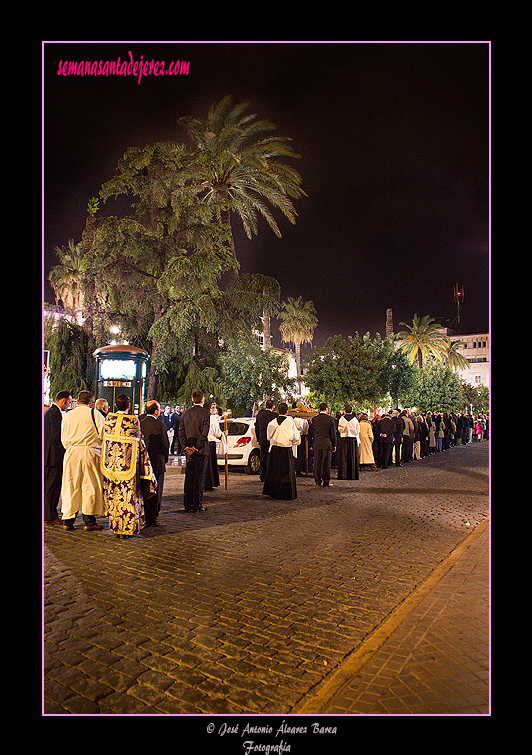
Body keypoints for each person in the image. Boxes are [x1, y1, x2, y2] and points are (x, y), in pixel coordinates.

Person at [101, 394, 155, 538]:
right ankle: (127, 529)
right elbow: (140, 444)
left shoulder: (109, 420)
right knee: (127, 498)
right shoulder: (133, 421)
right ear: (128, 406)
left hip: (111, 468)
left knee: (114, 498)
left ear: (115, 405)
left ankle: (115, 527)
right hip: (128, 467)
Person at [60, 390, 105, 531]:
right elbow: (103, 432)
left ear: (77, 401)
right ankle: (89, 520)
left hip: (71, 452)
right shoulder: (95, 414)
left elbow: (63, 436)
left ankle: (68, 520)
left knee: (70, 484)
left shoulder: (68, 415)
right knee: (89, 485)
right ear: (90, 402)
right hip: (89, 452)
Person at [178, 391, 210, 512]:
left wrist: (186, 446)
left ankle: (187, 503)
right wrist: (195, 447)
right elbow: (204, 433)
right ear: (202, 400)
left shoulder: (186, 413)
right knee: (199, 478)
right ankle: (197, 503)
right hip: (201, 450)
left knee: (189, 476)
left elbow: (181, 431)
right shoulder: (205, 413)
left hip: (189, 450)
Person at [43, 390, 72, 525]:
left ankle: (49, 513)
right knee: (52, 487)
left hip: (49, 455)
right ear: (63, 401)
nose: (69, 406)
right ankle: (50, 515)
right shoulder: (54, 413)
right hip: (53, 456)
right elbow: (56, 435)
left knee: (51, 486)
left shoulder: (50, 412)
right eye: (69, 403)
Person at [140, 400, 169, 527]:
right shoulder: (159, 425)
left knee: (145, 489)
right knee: (156, 490)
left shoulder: (140, 424)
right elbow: (165, 444)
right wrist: (165, 458)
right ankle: (153, 516)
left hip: (142, 462)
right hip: (156, 462)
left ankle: (144, 514)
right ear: (156, 411)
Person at [262, 403, 299, 500]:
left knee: (274, 472)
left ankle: (273, 492)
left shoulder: (272, 423)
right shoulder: (290, 423)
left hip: (274, 450)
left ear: (278, 411)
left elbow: (268, 437)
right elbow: (296, 437)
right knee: (286, 473)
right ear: (287, 411)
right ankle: (285, 493)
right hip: (285, 449)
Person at [309, 403, 336, 487]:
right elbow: (333, 433)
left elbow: (311, 432)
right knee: (326, 462)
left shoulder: (314, 419)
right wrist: (334, 445)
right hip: (327, 443)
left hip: (317, 442)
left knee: (317, 462)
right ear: (326, 409)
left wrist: (311, 443)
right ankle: (326, 480)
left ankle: (317, 480)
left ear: (319, 409)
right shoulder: (331, 419)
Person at [255, 400, 278, 483]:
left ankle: (262, 475)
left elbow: (256, 427)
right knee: (271, 458)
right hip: (272, 439)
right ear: (273, 407)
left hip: (262, 439)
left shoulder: (260, 415)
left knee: (263, 458)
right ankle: (270, 475)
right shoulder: (275, 416)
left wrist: (258, 439)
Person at [337, 405, 360, 480]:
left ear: (344, 411)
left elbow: (340, 429)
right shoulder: (355, 420)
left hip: (344, 439)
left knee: (344, 458)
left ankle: (343, 475)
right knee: (352, 457)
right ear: (351, 411)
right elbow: (357, 431)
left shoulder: (342, 419)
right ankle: (352, 475)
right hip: (352, 440)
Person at [203, 402, 222, 491]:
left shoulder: (201, 417)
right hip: (210, 442)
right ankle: (209, 483)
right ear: (210, 409)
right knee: (210, 464)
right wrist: (222, 434)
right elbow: (216, 432)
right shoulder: (212, 419)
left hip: (202, 442)